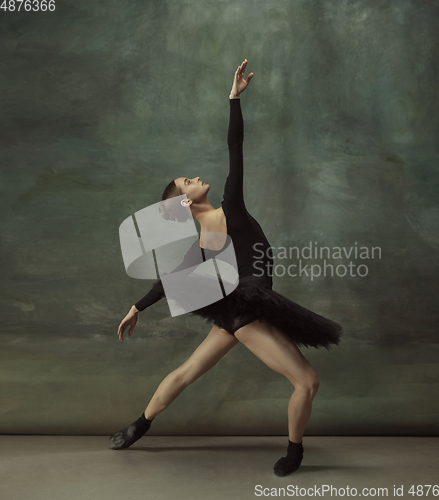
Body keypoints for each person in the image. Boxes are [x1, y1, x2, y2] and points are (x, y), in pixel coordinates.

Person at [109, 59, 343, 477]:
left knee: (185, 373)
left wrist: (233, 100)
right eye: (186, 182)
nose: (194, 177)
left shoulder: (210, 231)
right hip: (247, 313)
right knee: (307, 381)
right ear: (184, 202)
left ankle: (138, 426)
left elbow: (235, 148)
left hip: (237, 311)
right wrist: (137, 307)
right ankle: (294, 452)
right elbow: (167, 283)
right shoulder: (222, 217)